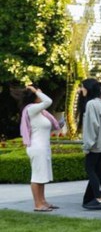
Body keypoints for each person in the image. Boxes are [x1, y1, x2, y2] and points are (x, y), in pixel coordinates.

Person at [19, 84, 61, 212]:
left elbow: (50, 125)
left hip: (43, 147)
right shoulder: (31, 109)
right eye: (38, 93)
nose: (41, 94)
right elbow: (48, 101)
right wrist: (36, 91)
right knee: (37, 176)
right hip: (37, 147)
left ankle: (43, 201)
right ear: (34, 96)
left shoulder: (40, 112)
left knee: (42, 176)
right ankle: (38, 204)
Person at [78, 78, 101, 211]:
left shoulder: (91, 104)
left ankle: (97, 199)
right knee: (100, 171)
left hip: (95, 145)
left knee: (90, 170)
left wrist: (87, 145)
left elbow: (92, 126)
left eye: (82, 87)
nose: (81, 90)